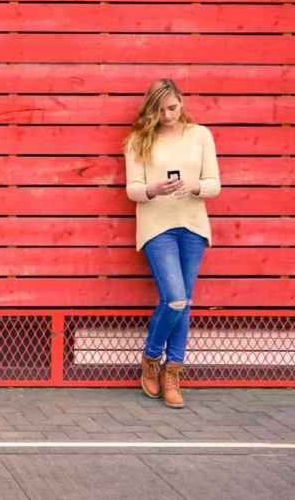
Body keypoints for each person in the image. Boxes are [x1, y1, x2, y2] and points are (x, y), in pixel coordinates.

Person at [125, 78, 220, 409]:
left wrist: (194, 186)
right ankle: (152, 357)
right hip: (157, 227)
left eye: (173, 108)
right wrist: (154, 189)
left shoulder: (201, 135)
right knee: (176, 299)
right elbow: (133, 189)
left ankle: (172, 373)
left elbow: (214, 184)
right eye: (161, 110)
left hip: (193, 226)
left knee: (186, 301)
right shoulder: (139, 140)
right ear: (152, 110)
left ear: (182, 102)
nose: (168, 116)